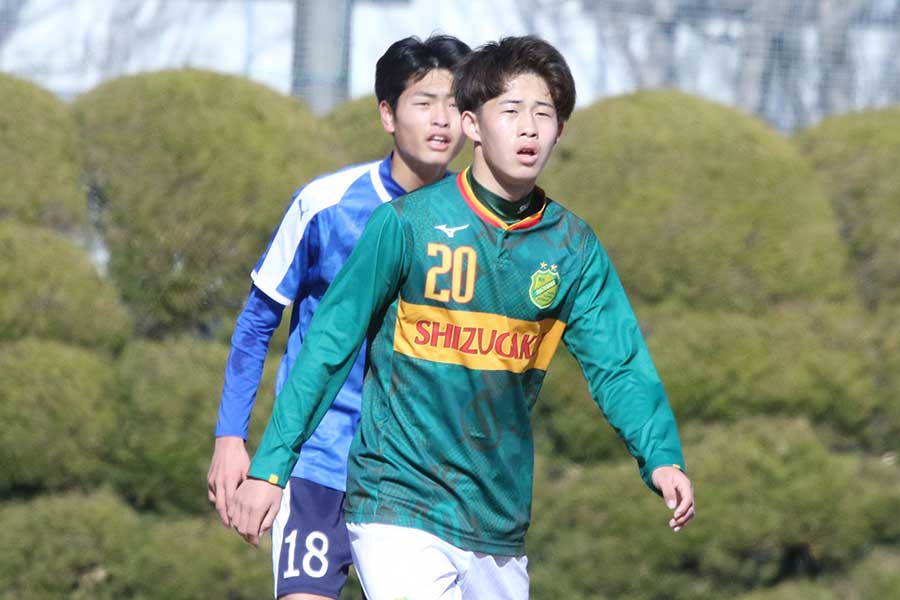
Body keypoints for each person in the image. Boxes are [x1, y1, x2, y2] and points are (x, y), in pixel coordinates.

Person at [229, 35, 695, 600]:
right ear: (473, 125)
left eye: (543, 113)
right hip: (395, 503)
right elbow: (328, 346)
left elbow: (618, 364)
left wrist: (662, 457)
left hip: (495, 520)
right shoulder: (406, 224)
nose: (528, 128)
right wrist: (270, 465)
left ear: (560, 131)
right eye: (511, 111)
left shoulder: (571, 248)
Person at [207, 34, 472, 600]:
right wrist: (231, 437)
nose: (442, 120)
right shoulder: (324, 204)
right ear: (387, 113)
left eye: (455, 103)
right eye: (425, 102)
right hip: (319, 463)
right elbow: (258, 322)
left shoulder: (478, 222)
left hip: (415, 478)